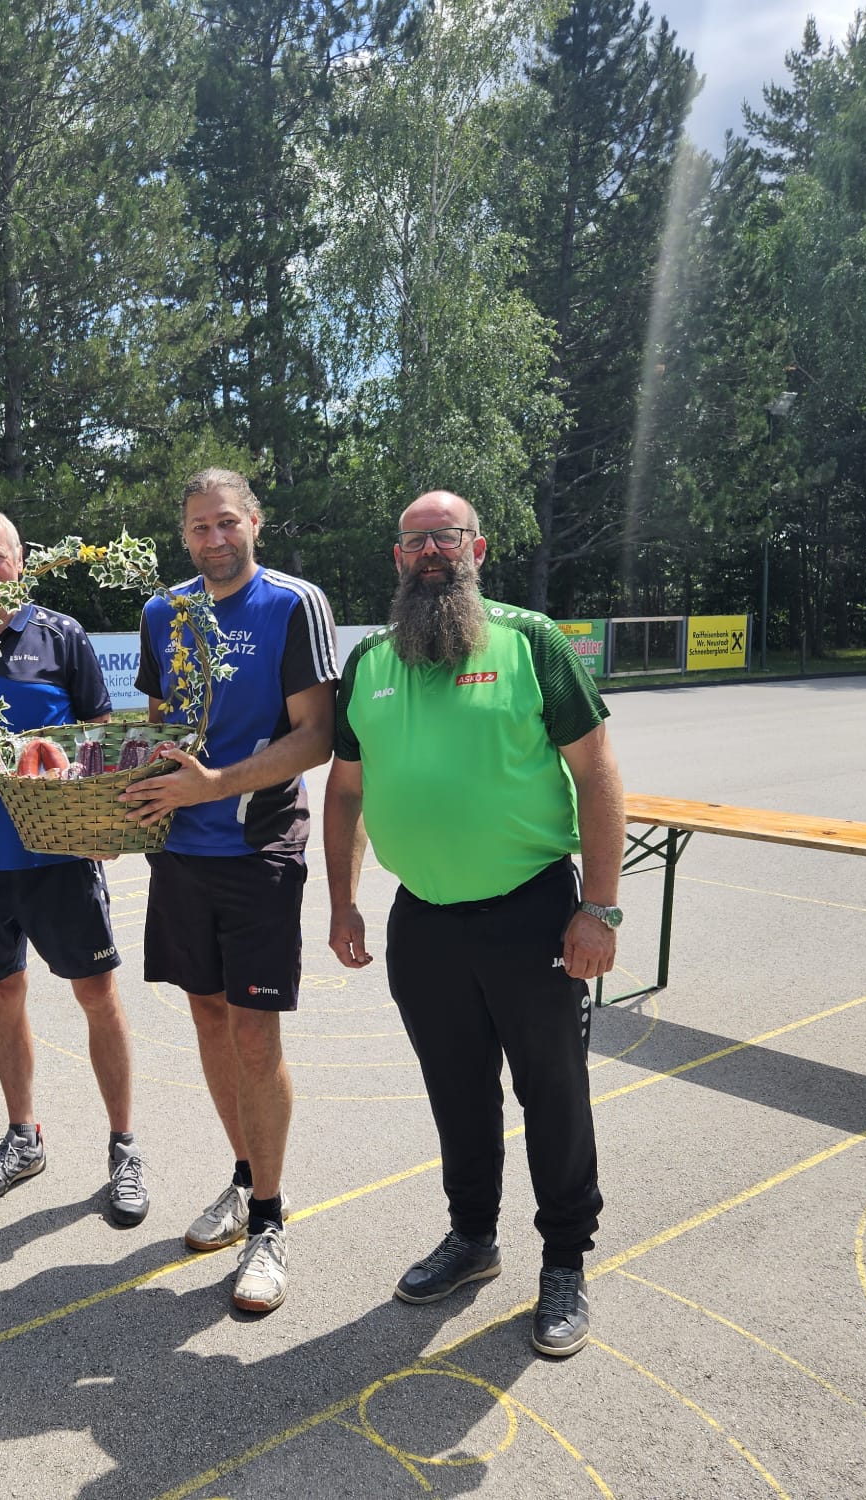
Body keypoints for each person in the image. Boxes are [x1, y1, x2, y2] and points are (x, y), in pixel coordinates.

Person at [322, 489, 623, 1359]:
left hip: (533, 913)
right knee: (456, 1091)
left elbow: (598, 773)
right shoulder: (370, 661)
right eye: (414, 541)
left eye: (445, 538)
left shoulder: (532, 642)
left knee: (552, 1092)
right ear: (397, 558)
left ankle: (564, 1259)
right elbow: (345, 791)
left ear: (477, 549)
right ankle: (472, 1237)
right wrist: (343, 900)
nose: (430, 553)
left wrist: (598, 908)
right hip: (424, 922)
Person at [120, 468, 338, 1313]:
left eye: (226, 523)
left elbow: (315, 738)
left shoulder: (292, 604)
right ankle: (246, 1179)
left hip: (257, 847)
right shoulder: (162, 612)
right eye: (199, 527)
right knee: (208, 1016)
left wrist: (214, 786)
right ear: (183, 535)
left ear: (254, 521)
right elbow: (156, 727)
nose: (214, 539)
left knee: (254, 1033)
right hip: (179, 852)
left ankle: (271, 1224)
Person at [0, 506, 150, 1226]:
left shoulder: (62, 636)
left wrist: (102, 826)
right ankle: (24, 1138)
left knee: (97, 996)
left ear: (20, 560)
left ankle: (124, 1148)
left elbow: (101, 744)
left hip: (60, 859)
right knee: (0, 997)